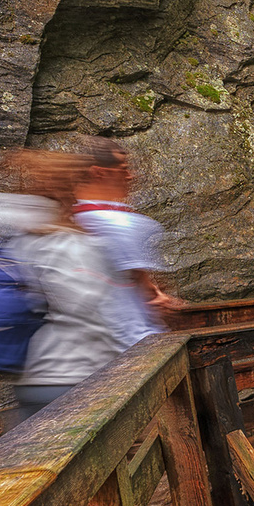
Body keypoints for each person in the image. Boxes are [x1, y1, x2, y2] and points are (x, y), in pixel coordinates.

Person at [0, 149, 123, 506]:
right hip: (72, 377)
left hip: (29, 377)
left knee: (42, 483)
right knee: (78, 485)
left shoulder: (15, 237)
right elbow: (86, 308)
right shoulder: (69, 243)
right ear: (71, 190)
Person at [70, 137, 179, 350]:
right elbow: (147, 290)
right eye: (124, 169)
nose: (130, 176)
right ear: (98, 172)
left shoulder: (73, 217)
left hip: (95, 343)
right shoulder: (117, 223)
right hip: (134, 340)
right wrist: (163, 299)